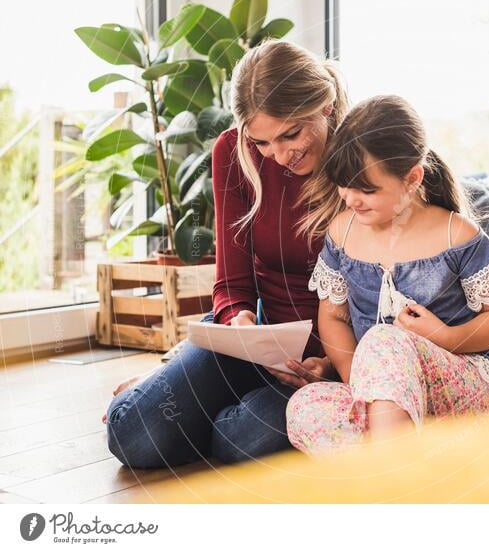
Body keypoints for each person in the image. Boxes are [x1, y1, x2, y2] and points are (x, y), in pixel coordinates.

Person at [103, 40, 350, 467]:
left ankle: (185, 386)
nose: (279, 154)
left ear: (324, 105)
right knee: (134, 435)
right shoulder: (236, 152)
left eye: (290, 134)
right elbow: (232, 283)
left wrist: (334, 363)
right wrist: (239, 319)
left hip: (336, 361)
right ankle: (174, 381)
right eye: (263, 141)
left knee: (241, 439)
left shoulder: (361, 156)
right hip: (257, 342)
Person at [285, 95, 489, 455]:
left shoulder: (456, 235)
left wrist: (445, 335)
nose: (350, 199)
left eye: (367, 189)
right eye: (343, 186)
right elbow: (331, 315)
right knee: (304, 406)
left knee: (384, 339)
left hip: (467, 386)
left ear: (412, 178)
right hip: (385, 395)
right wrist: (355, 379)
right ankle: (407, 458)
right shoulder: (342, 234)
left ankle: (391, 481)